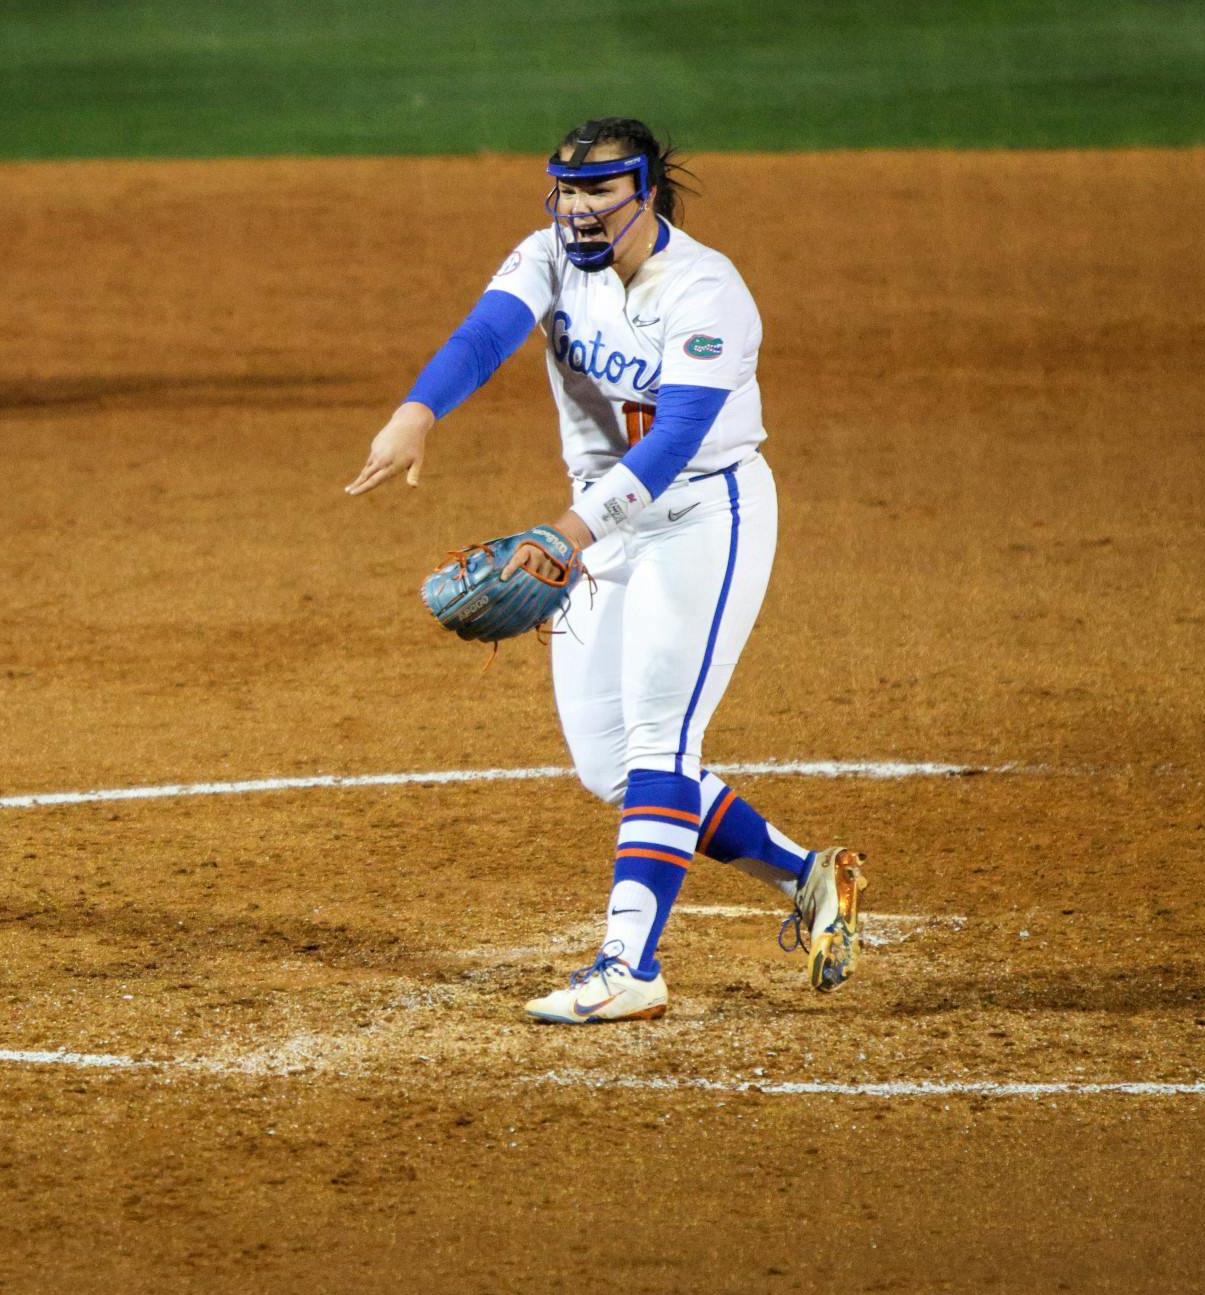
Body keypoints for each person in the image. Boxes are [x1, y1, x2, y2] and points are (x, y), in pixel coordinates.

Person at [347, 118, 867, 1023]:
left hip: (703, 514)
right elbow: (485, 335)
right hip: (600, 525)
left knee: (661, 740)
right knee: (612, 768)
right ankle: (810, 877)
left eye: (598, 195)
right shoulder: (548, 255)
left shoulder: (707, 291)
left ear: (647, 194)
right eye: (567, 192)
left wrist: (567, 534)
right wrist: (417, 412)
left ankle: (630, 962)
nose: (579, 212)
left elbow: (674, 440)